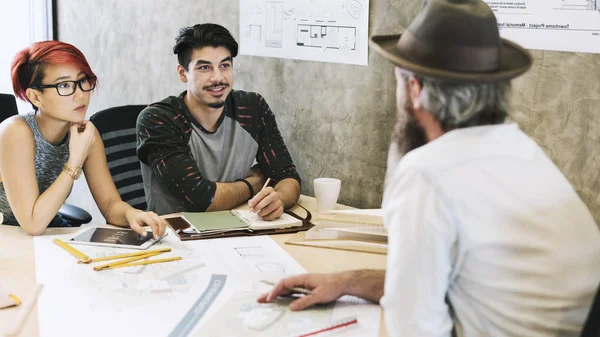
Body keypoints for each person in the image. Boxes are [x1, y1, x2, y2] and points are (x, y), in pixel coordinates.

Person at [258, 1, 600, 336]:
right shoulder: (521, 150)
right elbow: (456, 282)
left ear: (414, 89)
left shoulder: (427, 172)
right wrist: (348, 281)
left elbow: (416, 328)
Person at [0, 41, 167, 238]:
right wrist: (75, 161)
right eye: (64, 85)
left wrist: (133, 214)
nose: (80, 95)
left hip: (40, 228)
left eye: (82, 81)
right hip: (10, 234)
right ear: (35, 97)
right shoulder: (16, 131)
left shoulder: (86, 133)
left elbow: (110, 205)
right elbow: (32, 223)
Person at [136, 23, 300, 220]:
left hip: (239, 228)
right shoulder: (159, 120)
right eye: (205, 67)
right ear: (182, 73)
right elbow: (201, 199)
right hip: (177, 236)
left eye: (225, 65)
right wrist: (254, 183)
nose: (218, 77)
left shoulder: (253, 108)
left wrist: (279, 199)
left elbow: (288, 176)